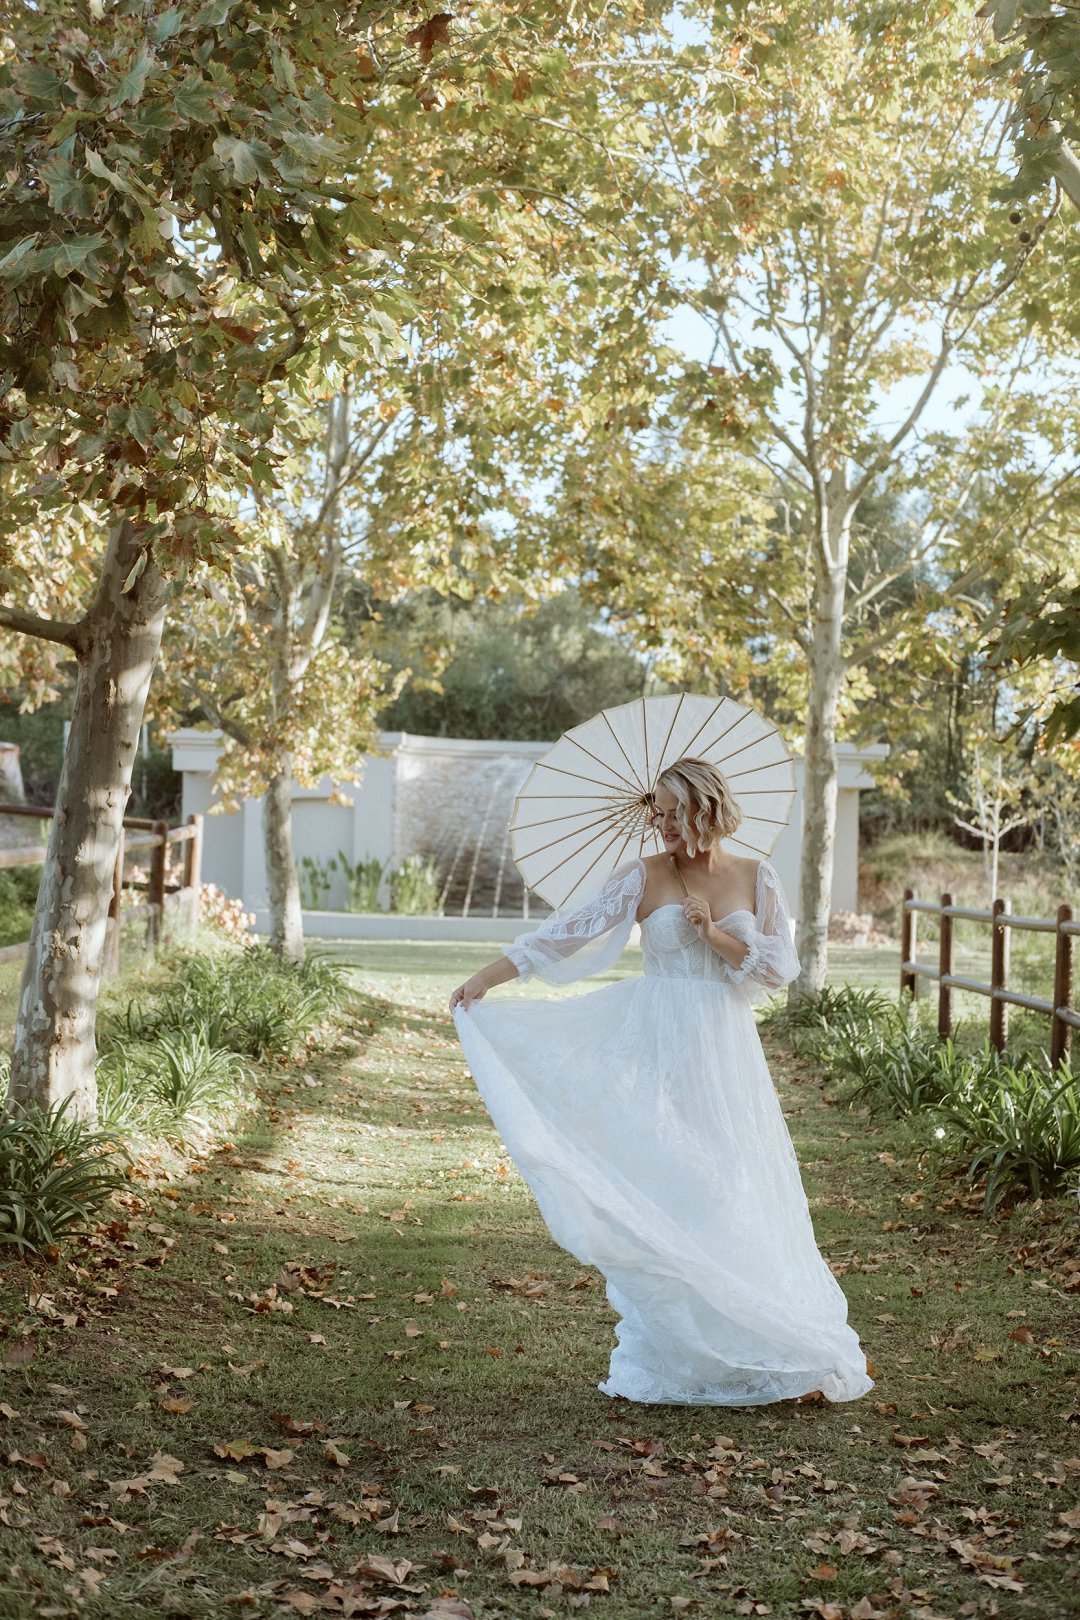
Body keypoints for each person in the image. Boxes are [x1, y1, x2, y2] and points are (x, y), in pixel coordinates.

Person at [449, 755, 873, 1407]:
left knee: (732, 1182)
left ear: (707, 810)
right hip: (658, 1045)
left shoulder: (755, 876)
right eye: (659, 811)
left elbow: (778, 970)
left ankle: (746, 1331)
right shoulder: (643, 875)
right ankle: (679, 1348)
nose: (663, 824)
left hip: (724, 1050)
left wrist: (714, 933)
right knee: (678, 1180)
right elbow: (563, 936)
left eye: (676, 813)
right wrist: (485, 979)